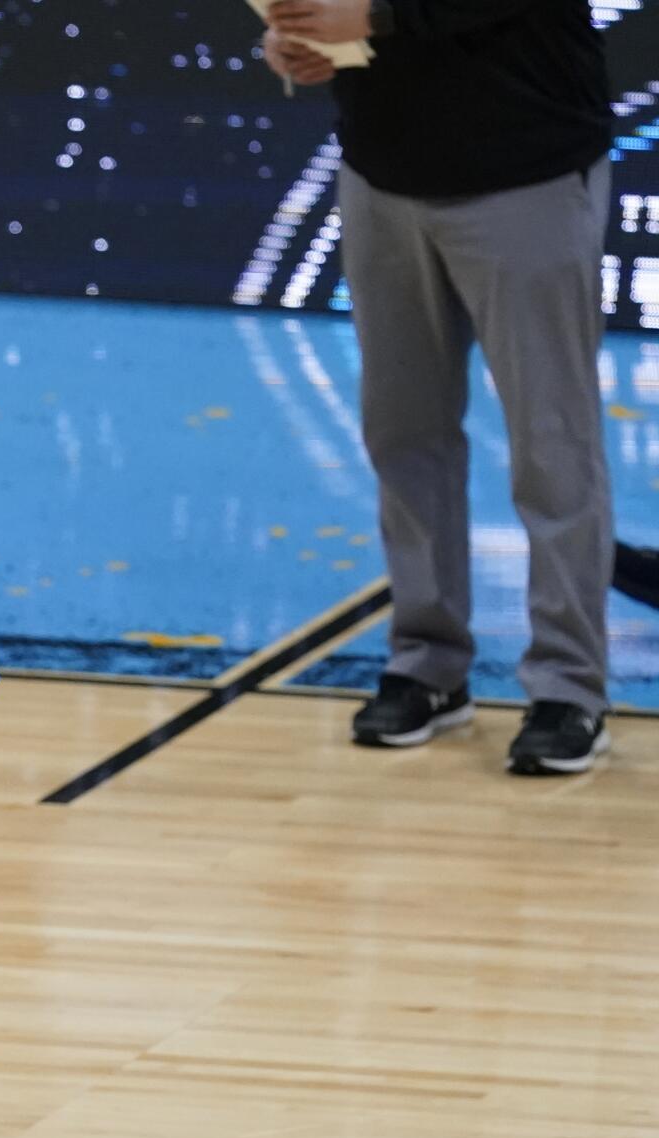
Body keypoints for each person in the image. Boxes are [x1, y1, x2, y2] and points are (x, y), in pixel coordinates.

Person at [264, 0, 616, 774]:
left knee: (551, 442)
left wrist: (379, 14)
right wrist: (299, 37)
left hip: (528, 166)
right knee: (402, 433)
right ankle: (427, 663)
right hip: (383, 169)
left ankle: (569, 686)